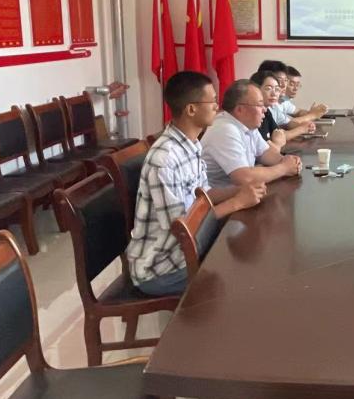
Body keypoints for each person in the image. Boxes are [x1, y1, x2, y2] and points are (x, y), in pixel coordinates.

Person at [126, 71, 266, 296]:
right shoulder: (165, 159)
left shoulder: (191, 144)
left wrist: (238, 191)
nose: (217, 107)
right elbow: (184, 229)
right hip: (163, 268)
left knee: (252, 253)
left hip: (187, 250)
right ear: (191, 109)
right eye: (212, 101)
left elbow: (203, 196)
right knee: (245, 277)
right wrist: (237, 202)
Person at [201, 79, 303, 189]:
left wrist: (287, 161)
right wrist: (284, 168)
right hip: (222, 197)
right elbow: (244, 177)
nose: (264, 110)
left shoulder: (247, 125)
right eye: (260, 104)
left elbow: (265, 153)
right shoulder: (225, 129)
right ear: (240, 109)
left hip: (242, 193)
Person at [258, 59, 327, 127]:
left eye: (285, 80)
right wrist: (313, 115)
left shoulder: (276, 104)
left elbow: (293, 118)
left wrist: (311, 113)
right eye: (279, 80)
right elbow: (289, 124)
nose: (284, 85)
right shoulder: (265, 106)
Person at [251, 70, 314, 143]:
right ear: (256, 90)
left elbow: (281, 131)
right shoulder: (253, 113)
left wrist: (305, 126)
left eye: (277, 89)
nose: (274, 94)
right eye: (268, 89)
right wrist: (302, 128)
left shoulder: (267, 111)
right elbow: (272, 141)